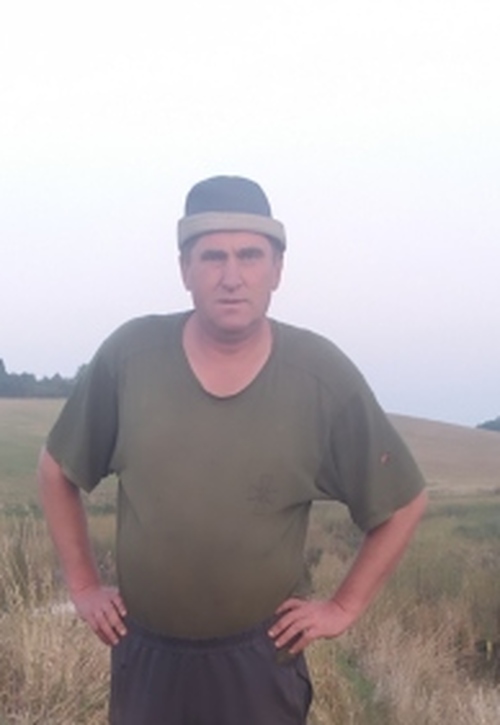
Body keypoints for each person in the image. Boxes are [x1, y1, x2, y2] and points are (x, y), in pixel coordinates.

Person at [38, 175, 427, 725]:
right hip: (147, 657)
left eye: (250, 256)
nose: (231, 277)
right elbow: (57, 470)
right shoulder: (130, 357)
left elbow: (403, 501)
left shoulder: (320, 375)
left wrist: (343, 606)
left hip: (259, 662)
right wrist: (81, 586)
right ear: (184, 269)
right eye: (212, 256)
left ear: (277, 269)